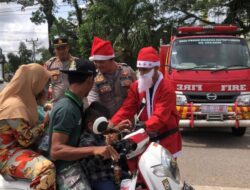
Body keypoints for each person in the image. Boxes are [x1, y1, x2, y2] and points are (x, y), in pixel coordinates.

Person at [48, 58, 119, 190]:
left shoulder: (76, 103)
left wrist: (110, 129)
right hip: (66, 168)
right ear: (89, 80)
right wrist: (93, 150)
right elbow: (55, 151)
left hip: (78, 161)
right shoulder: (67, 109)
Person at [110, 46, 182, 159]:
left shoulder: (167, 88)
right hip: (145, 138)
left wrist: (144, 125)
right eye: (140, 69)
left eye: (145, 70)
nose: (141, 73)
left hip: (166, 139)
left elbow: (160, 115)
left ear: (156, 68)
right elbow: (127, 108)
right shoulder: (137, 86)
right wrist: (111, 124)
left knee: (163, 175)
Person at [0, 64, 55, 190]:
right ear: (34, 83)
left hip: (13, 150)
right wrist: (44, 124)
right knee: (47, 169)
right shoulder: (14, 105)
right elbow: (26, 139)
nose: (45, 90)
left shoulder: (20, 100)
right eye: (43, 85)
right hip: (5, 155)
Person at [88, 36, 137, 117]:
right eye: (96, 62)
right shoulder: (95, 78)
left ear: (111, 59)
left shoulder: (128, 71)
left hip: (128, 120)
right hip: (108, 123)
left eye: (101, 62)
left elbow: (138, 95)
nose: (98, 65)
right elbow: (93, 103)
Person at [79, 101, 117, 190]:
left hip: (108, 172)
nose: (106, 126)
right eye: (103, 124)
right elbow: (95, 163)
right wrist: (107, 146)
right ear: (90, 125)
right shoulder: (86, 140)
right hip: (98, 178)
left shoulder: (98, 134)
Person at [44, 36, 79, 103]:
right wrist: (44, 103)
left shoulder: (77, 62)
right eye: (58, 48)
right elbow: (44, 85)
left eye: (63, 48)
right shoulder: (49, 64)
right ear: (55, 50)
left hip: (74, 103)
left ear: (68, 47)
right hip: (57, 104)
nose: (61, 51)